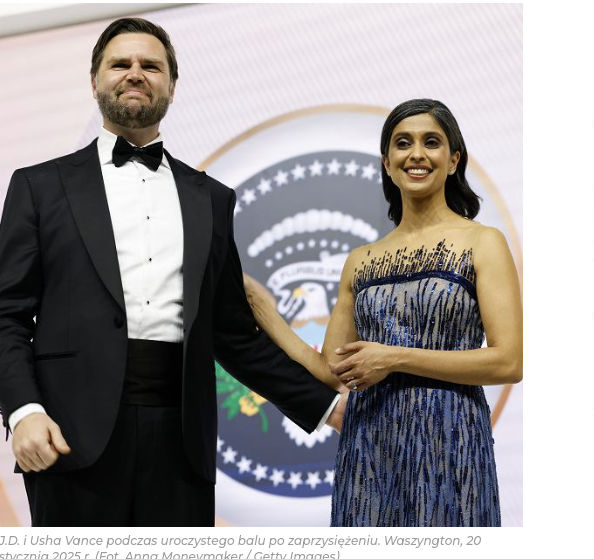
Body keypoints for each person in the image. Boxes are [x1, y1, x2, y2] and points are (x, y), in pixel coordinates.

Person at [0, 18, 345, 526]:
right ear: (94, 80)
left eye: (150, 66)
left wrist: (327, 407)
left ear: (172, 86)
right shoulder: (37, 186)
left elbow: (233, 335)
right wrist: (24, 411)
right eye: (120, 64)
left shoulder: (212, 198)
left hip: (182, 443)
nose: (135, 74)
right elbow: (6, 315)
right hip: (68, 437)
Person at [243, 98, 522, 526]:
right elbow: (331, 370)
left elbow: (509, 360)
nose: (416, 154)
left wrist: (393, 358)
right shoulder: (360, 260)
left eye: (431, 142)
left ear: (453, 160)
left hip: (452, 442)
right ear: (387, 163)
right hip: (369, 446)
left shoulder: (483, 242)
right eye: (402, 143)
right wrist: (264, 308)